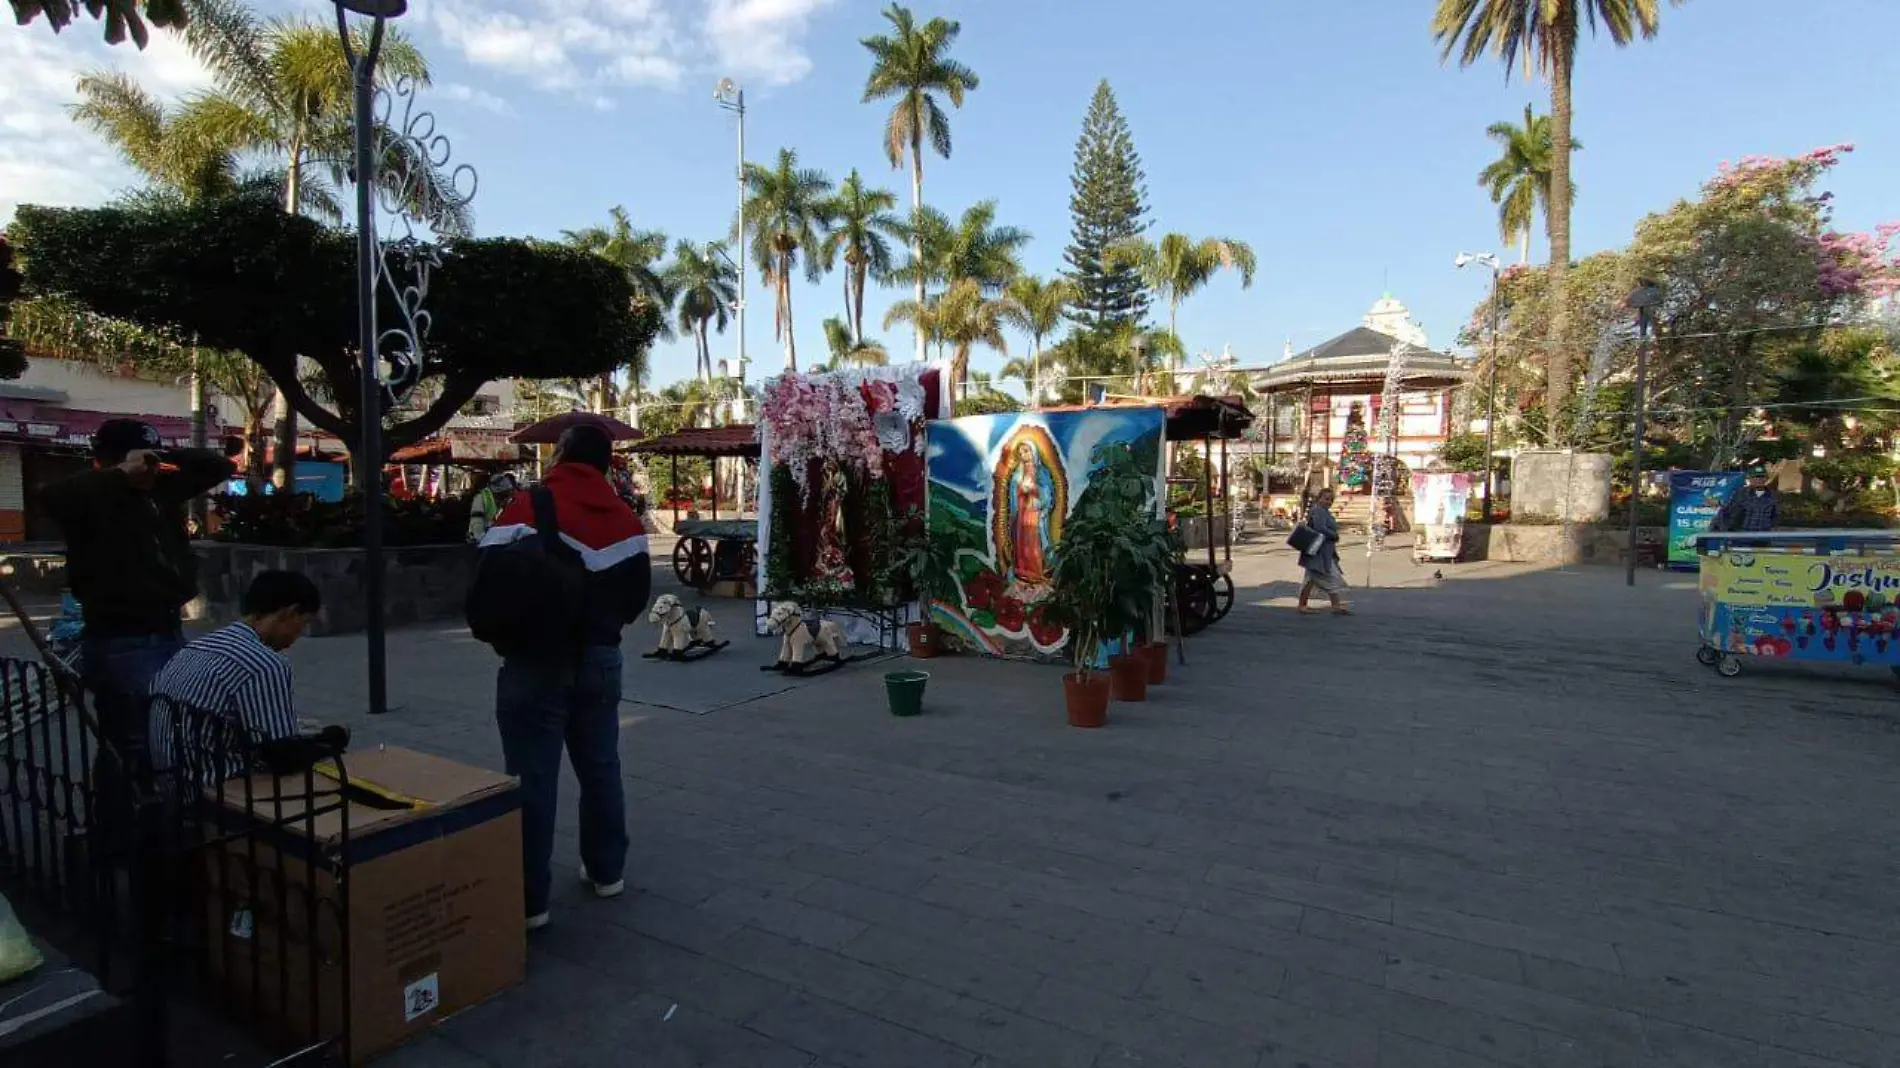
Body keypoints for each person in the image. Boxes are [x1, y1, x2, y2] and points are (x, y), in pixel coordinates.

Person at [478, 424, 650, 931]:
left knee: (533, 778)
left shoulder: (528, 508)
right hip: (601, 659)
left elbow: (489, 583)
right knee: (601, 765)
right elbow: (635, 600)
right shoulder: (626, 518)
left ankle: (532, 903)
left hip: (535, 663)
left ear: (562, 455)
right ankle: (607, 872)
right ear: (605, 463)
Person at [39, 419, 236, 780]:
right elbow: (50, 499)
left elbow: (220, 466)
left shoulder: (161, 490)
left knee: (165, 733)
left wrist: (164, 455)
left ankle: (160, 814)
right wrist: (119, 475)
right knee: (130, 742)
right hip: (121, 638)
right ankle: (122, 826)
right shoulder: (93, 495)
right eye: (142, 460)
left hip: (166, 629)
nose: (150, 469)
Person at [147, 570, 322, 779]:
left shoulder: (196, 647)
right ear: (290, 613)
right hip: (215, 788)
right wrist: (328, 744)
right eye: (302, 625)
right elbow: (283, 755)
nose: (297, 636)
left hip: (173, 781)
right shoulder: (265, 664)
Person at [1297, 487, 1351, 616]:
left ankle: (1303, 604)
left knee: (1310, 578)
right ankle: (1335, 604)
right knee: (1328, 576)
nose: (1329, 502)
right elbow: (1320, 528)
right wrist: (1334, 535)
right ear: (1319, 498)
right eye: (1326, 499)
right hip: (1319, 550)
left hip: (1321, 550)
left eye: (1331, 499)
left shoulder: (1323, 511)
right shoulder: (1319, 511)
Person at [1713, 463, 1778, 533]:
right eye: (1756, 477)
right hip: (1741, 538)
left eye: (1762, 476)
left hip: (1764, 538)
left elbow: (1776, 518)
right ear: (1750, 479)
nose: (1759, 479)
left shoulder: (1774, 497)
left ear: (1766, 479)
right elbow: (1726, 513)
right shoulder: (1740, 494)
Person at [466, 471, 519, 543]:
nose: (507, 497)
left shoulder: (503, 501)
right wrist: (481, 540)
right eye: (505, 494)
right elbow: (477, 524)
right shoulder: (481, 498)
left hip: (495, 540)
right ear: (498, 492)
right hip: (478, 542)